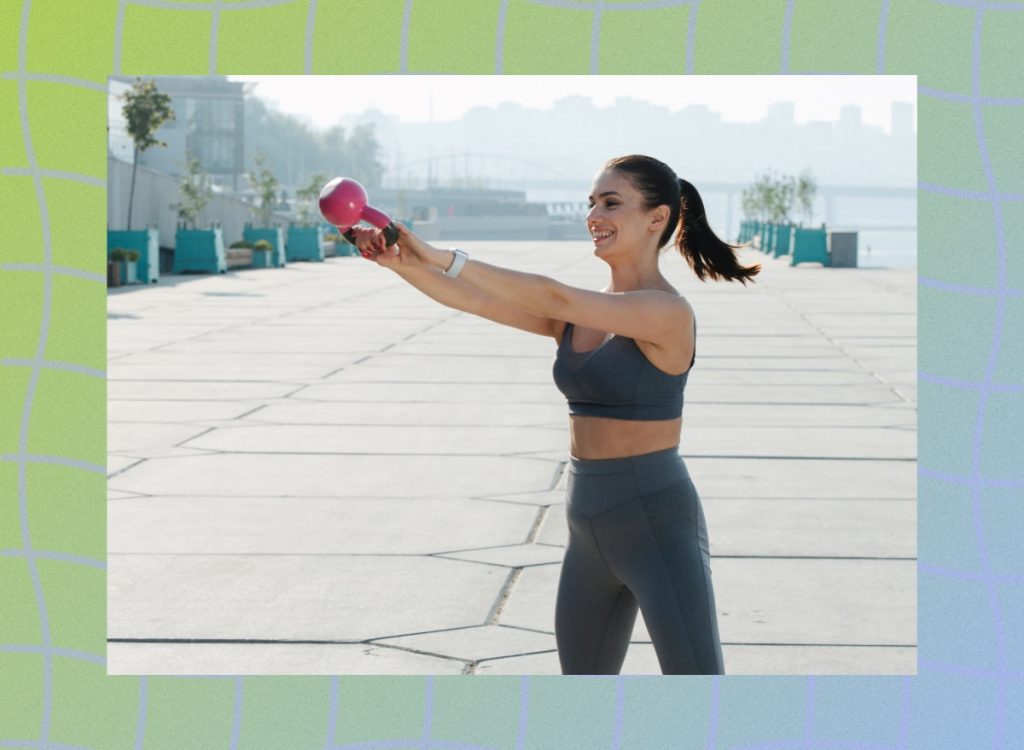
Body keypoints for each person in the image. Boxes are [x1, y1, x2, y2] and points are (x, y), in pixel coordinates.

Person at [350, 154, 759, 675]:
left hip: (656, 524)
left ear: (657, 218)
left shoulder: (665, 312)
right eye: (591, 202)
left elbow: (552, 292)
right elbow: (474, 301)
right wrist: (401, 262)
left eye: (612, 203)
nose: (594, 213)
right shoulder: (582, 314)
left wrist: (440, 254)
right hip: (587, 529)